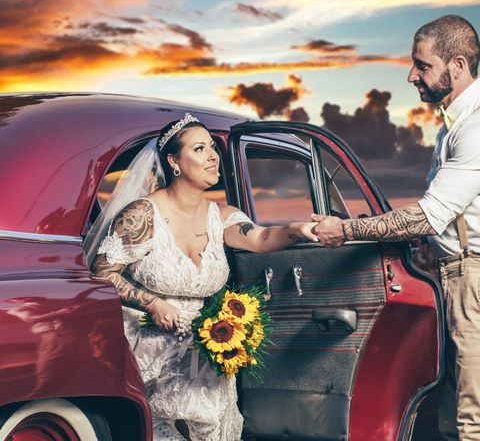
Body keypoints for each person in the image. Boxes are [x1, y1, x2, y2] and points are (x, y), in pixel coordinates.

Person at [311, 15, 480, 441]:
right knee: (451, 425)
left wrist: (345, 231)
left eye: (422, 65)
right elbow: (441, 223)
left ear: (456, 64)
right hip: (459, 279)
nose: (411, 75)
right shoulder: (451, 127)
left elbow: (427, 215)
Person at [88, 113, 317, 441]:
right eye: (199, 149)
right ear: (174, 162)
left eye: (212, 147)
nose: (213, 156)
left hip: (206, 346)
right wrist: (152, 304)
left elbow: (261, 238)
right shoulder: (142, 215)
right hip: (147, 344)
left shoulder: (221, 216)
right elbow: (102, 273)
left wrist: (298, 230)